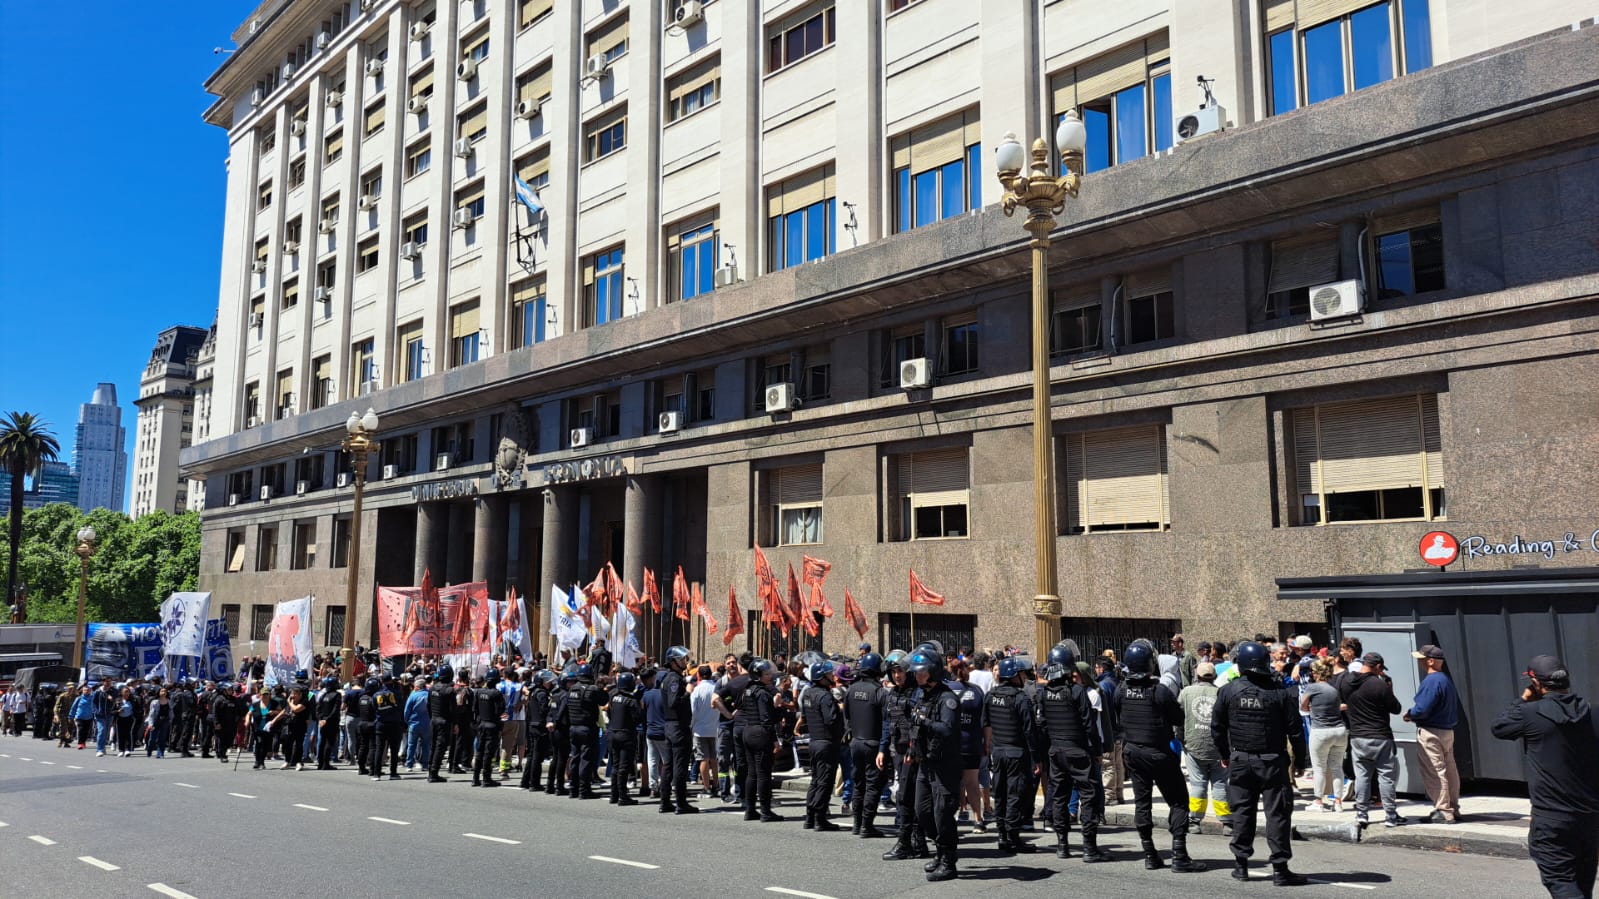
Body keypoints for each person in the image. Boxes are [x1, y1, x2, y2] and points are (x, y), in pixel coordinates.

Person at [1492, 655, 1599, 899]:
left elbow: (1499, 727)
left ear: (1536, 683)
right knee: (1582, 882)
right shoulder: (1592, 712)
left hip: (1551, 816)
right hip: (1589, 815)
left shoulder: (1529, 713)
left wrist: (1523, 699)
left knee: (1560, 881)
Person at [1212, 640, 1309, 886]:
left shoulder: (1228, 691)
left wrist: (1225, 754)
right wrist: (1300, 761)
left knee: (1242, 812)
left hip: (1241, 760)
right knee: (1277, 814)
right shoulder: (1279, 693)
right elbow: (1295, 731)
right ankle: (1280, 869)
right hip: (1272, 761)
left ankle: (1241, 865)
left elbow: (1217, 728)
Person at [1115, 639, 1204, 873]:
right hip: (1158, 752)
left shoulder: (1120, 689)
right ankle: (1179, 855)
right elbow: (1178, 718)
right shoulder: (1159, 691)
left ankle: (1149, 854)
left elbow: (1118, 716)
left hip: (1133, 752)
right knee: (1179, 801)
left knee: (1142, 803)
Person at [907, 647, 962, 882]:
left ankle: (948, 861)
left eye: (922, 672)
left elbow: (948, 730)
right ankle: (939, 851)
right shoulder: (922, 696)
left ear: (933, 672)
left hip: (944, 765)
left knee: (943, 813)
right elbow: (915, 727)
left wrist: (926, 722)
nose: (917, 676)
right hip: (925, 762)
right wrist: (912, 749)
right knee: (922, 810)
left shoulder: (947, 699)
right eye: (916, 672)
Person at [1341, 651, 1404, 828]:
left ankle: (1362, 814)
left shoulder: (1346, 683)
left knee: (1362, 776)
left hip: (1357, 737)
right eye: (1381, 668)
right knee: (1386, 777)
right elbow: (1396, 708)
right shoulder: (1379, 685)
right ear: (1377, 666)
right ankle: (1390, 815)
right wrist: (1389, 688)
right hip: (1380, 736)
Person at [983, 657, 1038, 854]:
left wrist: (988, 747)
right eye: (1021, 674)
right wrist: (1036, 757)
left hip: (997, 752)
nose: (1023, 677)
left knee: (1000, 793)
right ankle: (1013, 836)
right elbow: (1030, 730)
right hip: (1016, 753)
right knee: (1015, 794)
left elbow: (986, 723)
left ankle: (1001, 834)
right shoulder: (1020, 698)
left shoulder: (990, 695)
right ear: (1014, 676)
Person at [1405, 644, 1462, 824]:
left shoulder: (1431, 681)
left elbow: (1422, 709)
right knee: (1449, 769)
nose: (1420, 662)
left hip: (1431, 731)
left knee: (1435, 770)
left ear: (1430, 661)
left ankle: (1443, 810)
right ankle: (1453, 807)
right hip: (1447, 730)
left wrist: (1410, 714)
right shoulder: (1445, 680)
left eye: (1422, 659)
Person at [1178, 661, 1231, 832]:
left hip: (1193, 746)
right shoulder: (1221, 693)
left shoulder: (1186, 692)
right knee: (1220, 784)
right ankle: (1227, 822)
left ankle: (1194, 821)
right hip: (1219, 748)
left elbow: (1178, 720)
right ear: (1214, 676)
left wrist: (1182, 740)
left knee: (1198, 784)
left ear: (1197, 675)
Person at [845, 652, 889, 838]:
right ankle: (866, 825)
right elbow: (886, 723)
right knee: (873, 784)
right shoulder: (880, 692)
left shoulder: (851, 689)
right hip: (873, 744)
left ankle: (857, 824)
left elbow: (847, 715)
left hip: (856, 742)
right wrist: (883, 748)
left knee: (859, 783)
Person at [1300, 657, 1349, 812]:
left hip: (1320, 731)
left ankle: (1318, 802)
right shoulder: (1333, 689)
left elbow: (1303, 706)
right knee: (1337, 767)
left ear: (1316, 673)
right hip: (1339, 730)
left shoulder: (1312, 688)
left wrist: (1312, 709)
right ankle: (1338, 803)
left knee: (1319, 768)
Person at [802, 660, 845, 831]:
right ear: (821, 677)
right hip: (826, 743)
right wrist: (839, 709)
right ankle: (819, 818)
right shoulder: (825, 696)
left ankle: (809, 817)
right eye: (828, 674)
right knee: (825, 782)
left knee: (815, 780)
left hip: (814, 741)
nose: (832, 676)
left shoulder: (808, 693)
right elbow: (831, 719)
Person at [658, 646, 698, 814]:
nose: (684, 662)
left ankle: (665, 801)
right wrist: (688, 693)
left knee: (668, 765)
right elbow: (674, 703)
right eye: (681, 659)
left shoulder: (668, 678)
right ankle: (681, 803)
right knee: (679, 765)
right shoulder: (674, 679)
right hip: (678, 727)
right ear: (673, 662)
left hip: (670, 726)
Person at [742, 658, 783, 822]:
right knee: (764, 774)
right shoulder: (762, 694)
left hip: (748, 731)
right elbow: (767, 719)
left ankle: (750, 809)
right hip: (760, 734)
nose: (770, 676)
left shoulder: (748, 690)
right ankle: (766, 811)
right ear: (758, 675)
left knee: (752, 774)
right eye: (766, 674)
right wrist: (774, 739)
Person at [558, 665, 602, 798]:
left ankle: (573, 789)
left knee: (575, 758)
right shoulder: (592, 689)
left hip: (573, 727)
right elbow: (603, 699)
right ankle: (584, 790)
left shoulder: (572, 689)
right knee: (586, 759)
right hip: (587, 728)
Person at [608, 671, 644, 804]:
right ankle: (623, 796)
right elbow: (638, 718)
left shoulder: (613, 696)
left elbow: (610, 713)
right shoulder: (631, 700)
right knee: (624, 766)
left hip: (613, 733)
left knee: (615, 765)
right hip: (626, 735)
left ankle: (614, 795)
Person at [472, 671, 507, 787]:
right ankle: (486, 779)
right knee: (488, 753)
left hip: (481, 725)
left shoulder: (479, 692)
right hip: (492, 726)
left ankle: (475, 778)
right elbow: (500, 711)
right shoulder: (496, 694)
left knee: (479, 752)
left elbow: (475, 709)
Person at [690, 665, 720, 798]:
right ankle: (716, 785)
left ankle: (706, 787)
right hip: (715, 728)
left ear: (699, 675)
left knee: (703, 759)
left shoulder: (697, 690)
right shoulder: (716, 688)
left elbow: (693, 711)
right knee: (714, 759)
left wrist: (691, 726)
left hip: (700, 729)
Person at [521, 670, 554, 791]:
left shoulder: (533, 692)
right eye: (547, 681)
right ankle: (534, 783)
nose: (549, 683)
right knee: (537, 756)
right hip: (539, 727)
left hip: (532, 725)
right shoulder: (542, 694)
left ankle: (526, 781)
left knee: (532, 755)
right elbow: (545, 710)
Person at [426, 666, 455, 783]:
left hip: (434, 720)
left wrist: (432, 717)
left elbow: (428, 705)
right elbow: (453, 709)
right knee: (440, 747)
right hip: (444, 721)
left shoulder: (432, 688)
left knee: (434, 745)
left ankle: (430, 770)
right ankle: (434, 773)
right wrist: (453, 723)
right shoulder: (449, 690)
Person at [403, 673, 432, 772]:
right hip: (427, 723)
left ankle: (409, 764)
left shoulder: (413, 696)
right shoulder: (429, 695)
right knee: (426, 745)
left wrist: (406, 721)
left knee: (411, 745)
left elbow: (407, 710)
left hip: (414, 723)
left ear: (418, 687)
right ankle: (425, 764)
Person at [313, 676, 343, 770]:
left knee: (322, 742)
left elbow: (318, 709)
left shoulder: (323, 695)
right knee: (329, 742)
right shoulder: (337, 695)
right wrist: (327, 719)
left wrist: (321, 719)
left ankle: (320, 763)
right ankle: (325, 763)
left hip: (323, 722)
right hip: (331, 722)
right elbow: (335, 710)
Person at [211, 682, 241, 763]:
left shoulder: (234, 699)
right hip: (222, 723)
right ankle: (222, 755)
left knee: (230, 739)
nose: (231, 691)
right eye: (229, 690)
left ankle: (223, 751)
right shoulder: (219, 699)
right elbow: (215, 712)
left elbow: (238, 710)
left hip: (232, 723)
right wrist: (217, 723)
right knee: (222, 739)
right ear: (224, 690)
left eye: (231, 689)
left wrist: (239, 717)